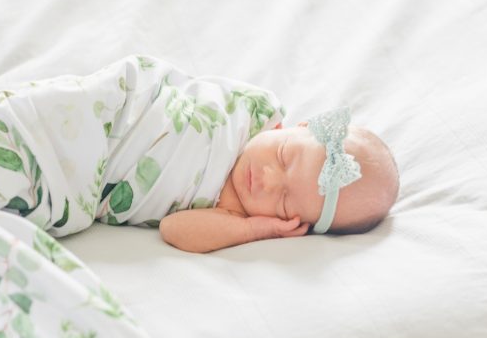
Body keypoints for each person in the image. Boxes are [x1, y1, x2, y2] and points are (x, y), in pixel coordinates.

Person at [159, 106, 400, 253]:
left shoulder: (233, 213)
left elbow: (171, 228)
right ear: (299, 126)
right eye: (283, 156)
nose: (267, 181)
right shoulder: (257, 112)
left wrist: (251, 230)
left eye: (283, 202)